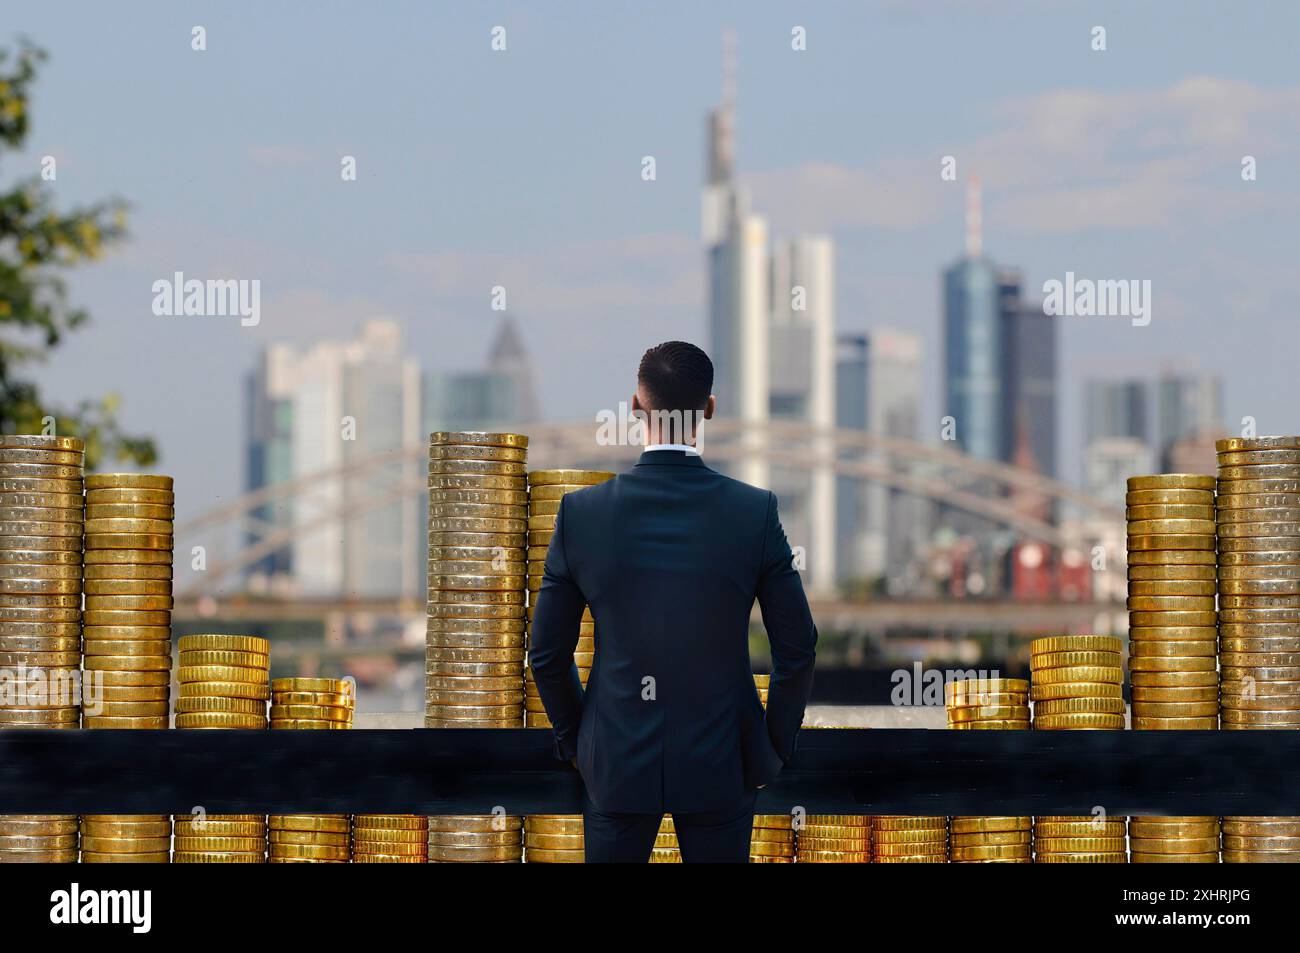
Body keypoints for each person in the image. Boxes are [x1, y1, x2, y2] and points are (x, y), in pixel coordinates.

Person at [529, 340, 818, 862]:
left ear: (635, 407)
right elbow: (798, 647)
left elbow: (547, 654)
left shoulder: (581, 515)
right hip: (722, 761)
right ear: (709, 408)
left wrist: (581, 743)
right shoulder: (753, 513)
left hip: (614, 760)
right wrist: (770, 749)